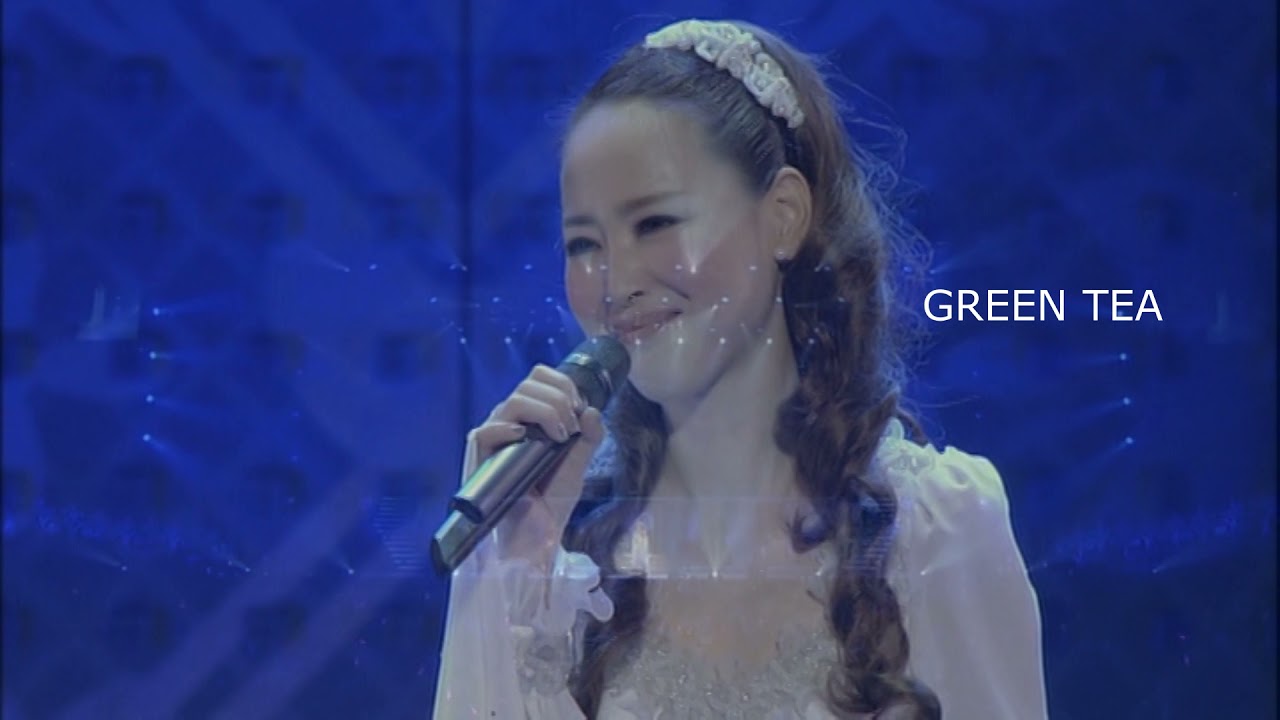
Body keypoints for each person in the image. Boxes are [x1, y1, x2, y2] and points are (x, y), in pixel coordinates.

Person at [433, 18, 1048, 719]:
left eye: (656, 223)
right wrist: (515, 577)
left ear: (783, 215)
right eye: (583, 243)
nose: (615, 281)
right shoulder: (563, 564)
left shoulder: (938, 529)